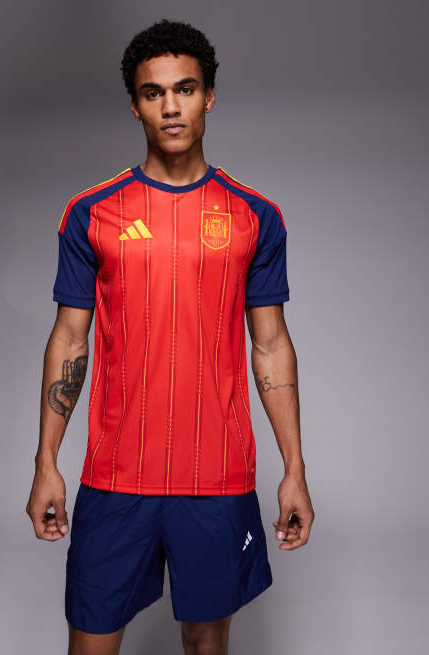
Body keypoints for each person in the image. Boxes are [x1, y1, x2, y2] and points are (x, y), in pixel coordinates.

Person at [26, 18, 314, 655]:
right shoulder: (92, 213)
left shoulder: (255, 216)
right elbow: (69, 340)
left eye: (185, 89)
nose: (171, 106)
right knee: (90, 643)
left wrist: (294, 468)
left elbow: (271, 345)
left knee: (207, 643)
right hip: (116, 477)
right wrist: (46, 462)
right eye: (153, 93)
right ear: (135, 106)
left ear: (209, 96)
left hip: (216, 479)